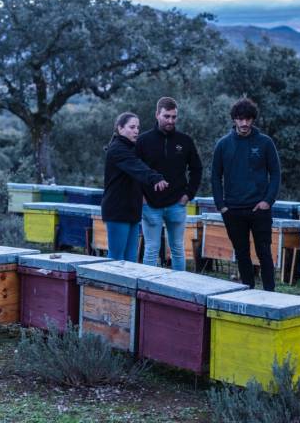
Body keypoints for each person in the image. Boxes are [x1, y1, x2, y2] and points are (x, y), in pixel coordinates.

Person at [211, 97, 281, 291]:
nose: (244, 123)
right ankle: (247, 292)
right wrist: (221, 206)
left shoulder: (265, 143)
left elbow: (275, 173)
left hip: (259, 208)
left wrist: (268, 201)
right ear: (234, 119)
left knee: (264, 252)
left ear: (253, 120)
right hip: (232, 210)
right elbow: (215, 176)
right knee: (241, 253)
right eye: (240, 119)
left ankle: (270, 293)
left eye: (247, 119)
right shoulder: (223, 145)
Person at [136, 97, 203, 270]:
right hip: (150, 205)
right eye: (167, 116)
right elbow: (135, 171)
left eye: (174, 117)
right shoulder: (143, 141)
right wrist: (141, 197)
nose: (170, 121)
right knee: (151, 249)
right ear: (157, 114)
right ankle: (147, 288)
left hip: (177, 204)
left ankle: (178, 291)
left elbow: (197, 169)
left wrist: (188, 195)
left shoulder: (185, 141)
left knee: (178, 250)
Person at [102, 112, 168, 261]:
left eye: (138, 127)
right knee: (116, 258)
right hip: (117, 210)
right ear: (120, 128)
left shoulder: (133, 148)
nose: (136, 130)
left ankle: (127, 286)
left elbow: (144, 166)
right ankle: (111, 285)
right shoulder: (117, 149)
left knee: (131, 259)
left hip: (132, 209)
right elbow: (136, 167)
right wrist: (155, 177)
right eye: (132, 127)